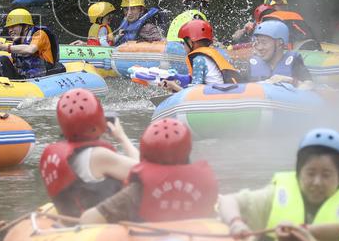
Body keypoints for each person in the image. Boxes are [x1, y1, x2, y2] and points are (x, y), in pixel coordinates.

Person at [218, 128, 339, 239]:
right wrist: (236, 222)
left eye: (326, 175)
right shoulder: (276, 195)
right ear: (299, 172)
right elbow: (227, 200)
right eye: (310, 173)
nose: (316, 182)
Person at [78, 118, 219, 224]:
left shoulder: (138, 190)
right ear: (187, 150)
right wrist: (122, 137)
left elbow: (87, 220)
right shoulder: (205, 185)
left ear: (146, 150)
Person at [39, 89, 139, 217]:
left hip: (70, 219)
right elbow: (143, 171)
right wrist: (122, 137)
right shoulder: (98, 156)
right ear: (98, 119)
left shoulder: (54, 153)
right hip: (98, 226)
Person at [162, 20, 238, 92]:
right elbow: (193, 81)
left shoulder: (199, 59)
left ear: (191, 42)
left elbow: (195, 91)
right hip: (223, 92)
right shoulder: (209, 55)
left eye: (184, 43)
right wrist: (174, 79)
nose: (183, 46)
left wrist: (174, 87)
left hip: (216, 96)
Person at [0, 8, 65, 79]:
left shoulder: (39, 34)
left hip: (43, 75)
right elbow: (17, 61)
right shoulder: (18, 42)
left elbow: (30, 49)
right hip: (26, 76)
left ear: (26, 26)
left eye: (13, 26)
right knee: (2, 60)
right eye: (8, 28)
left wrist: (3, 47)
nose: (10, 30)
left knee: (3, 59)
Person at [246, 20, 313, 86]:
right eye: (257, 42)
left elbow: (310, 85)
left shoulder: (294, 63)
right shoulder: (252, 64)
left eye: (264, 43)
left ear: (279, 43)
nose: (259, 48)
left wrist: (288, 80)